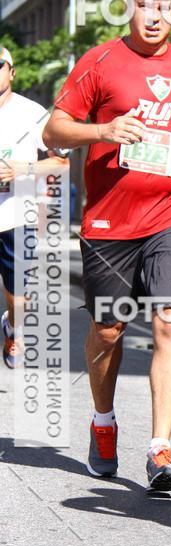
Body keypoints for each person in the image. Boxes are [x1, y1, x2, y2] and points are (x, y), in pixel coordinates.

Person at [43, 0, 171, 490]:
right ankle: (103, 422)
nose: (155, 16)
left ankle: (160, 448)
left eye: (166, 7)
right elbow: (55, 128)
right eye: (146, 5)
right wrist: (104, 129)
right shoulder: (99, 61)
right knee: (108, 330)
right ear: (130, 6)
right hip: (109, 220)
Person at [0, 46, 67, 369]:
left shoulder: (33, 114)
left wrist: (21, 169)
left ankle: (13, 326)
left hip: (17, 214)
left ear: (12, 73)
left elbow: (61, 163)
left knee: (18, 295)